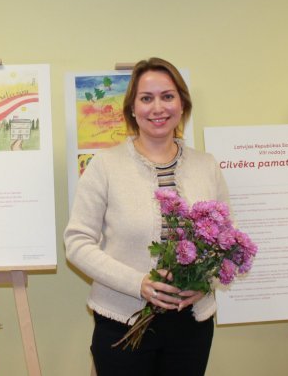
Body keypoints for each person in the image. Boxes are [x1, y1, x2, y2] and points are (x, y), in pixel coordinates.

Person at [64, 58, 230, 376]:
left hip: (191, 323)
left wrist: (204, 283)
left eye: (167, 96)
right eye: (146, 98)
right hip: (123, 320)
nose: (158, 108)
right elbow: (77, 243)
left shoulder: (207, 166)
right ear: (132, 108)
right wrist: (138, 284)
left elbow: (225, 240)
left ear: (182, 104)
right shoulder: (105, 166)